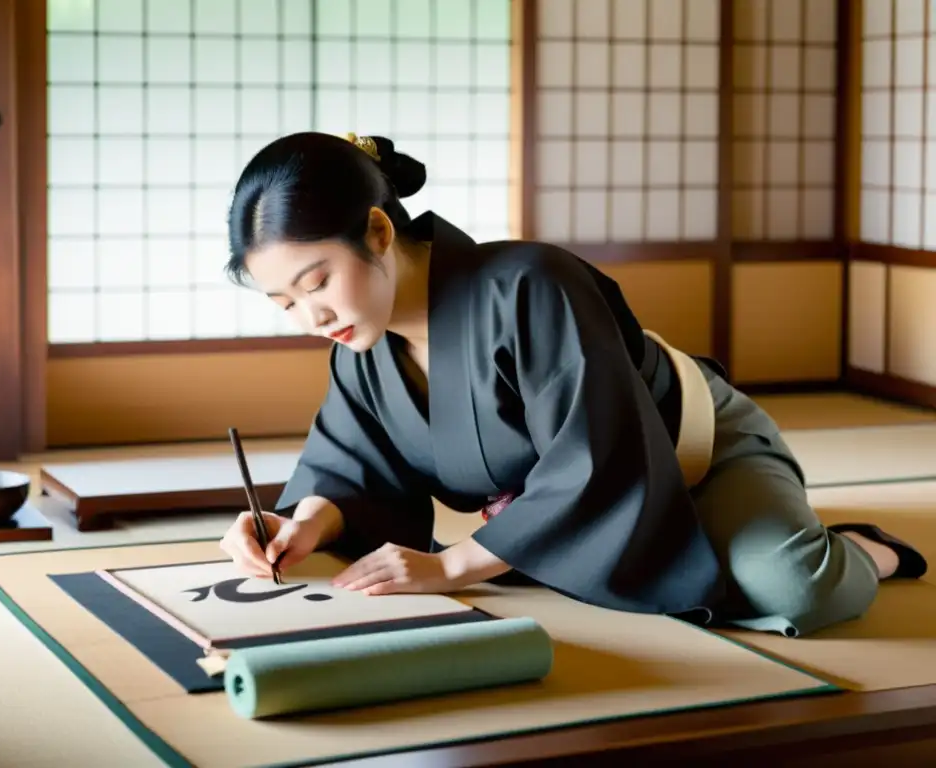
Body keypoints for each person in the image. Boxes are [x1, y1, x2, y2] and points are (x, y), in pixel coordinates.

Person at [218, 130, 927, 638]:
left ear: (377, 232)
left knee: (792, 592)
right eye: (284, 303)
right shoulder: (360, 349)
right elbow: (353, 470)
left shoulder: (531, 284)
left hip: (699, 451)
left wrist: (454, 567)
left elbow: (598, 455)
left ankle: (869, 549)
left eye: (316, 284)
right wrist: (305, 523)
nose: (311, 317)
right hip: (599, 503)